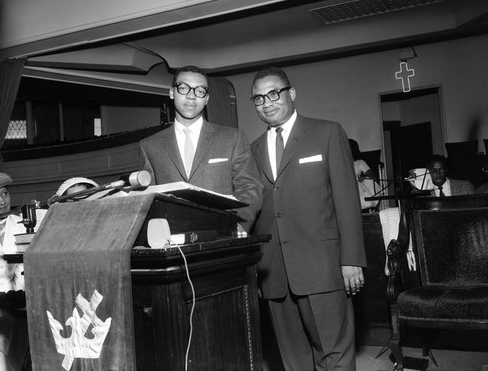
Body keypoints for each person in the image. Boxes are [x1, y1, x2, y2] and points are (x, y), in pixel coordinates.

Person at [249, 67, 366, 370]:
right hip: (274, 273)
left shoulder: (326, 132)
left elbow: (347, 201)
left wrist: (351, 260)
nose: (267, 102)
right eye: (259, 98)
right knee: (294, 361)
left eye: (274, 93)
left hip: (322, 266)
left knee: (334, 355)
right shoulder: (253, 150)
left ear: (291, 93)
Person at [140, 65, 263, 233]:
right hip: (172, 243)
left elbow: (250, 187)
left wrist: (238, 224)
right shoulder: (150, 146)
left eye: (199, 91)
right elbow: (147, 200)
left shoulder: (232, 138)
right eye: (183, 88)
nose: (191, 96)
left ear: (206, 99)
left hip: (223, 237)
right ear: (171, 92)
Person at [0, 172, 29, 371]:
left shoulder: (24, 223)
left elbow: (26, 267)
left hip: (19, 302)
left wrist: (18, 297)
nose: (2, 201)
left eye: (4, 194)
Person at [349, 138, 379, 210]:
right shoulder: (340, 163)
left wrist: (363, 178)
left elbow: (372, 176)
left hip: (356, 189)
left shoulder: (360, 162)